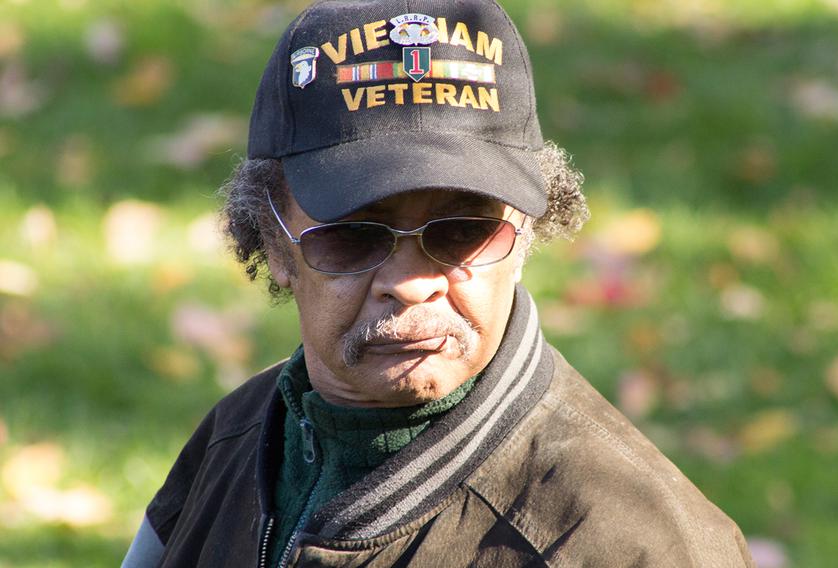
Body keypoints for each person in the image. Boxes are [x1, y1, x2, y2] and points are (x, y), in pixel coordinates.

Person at [123, 1, 755, 566]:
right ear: (273, 241)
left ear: (525, 234)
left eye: (461, 233)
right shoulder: (238, 436)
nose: (411, 283)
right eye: (355, 235)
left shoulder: (637, 545)